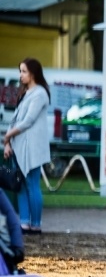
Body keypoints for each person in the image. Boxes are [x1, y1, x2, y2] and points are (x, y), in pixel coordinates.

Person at [3, 59, 50, 235]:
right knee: (20, 185)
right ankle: (24, 223)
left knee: (32, 184)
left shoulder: (40, 94)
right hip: (18, 146)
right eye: (20, 71)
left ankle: (35, 224)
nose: (20, 75)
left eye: (24, 71)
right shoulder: (25, 93)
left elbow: (28, 121)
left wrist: (8, 136)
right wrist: (8, 143)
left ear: (33, 73)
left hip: (32, 148)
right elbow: (15, 119)